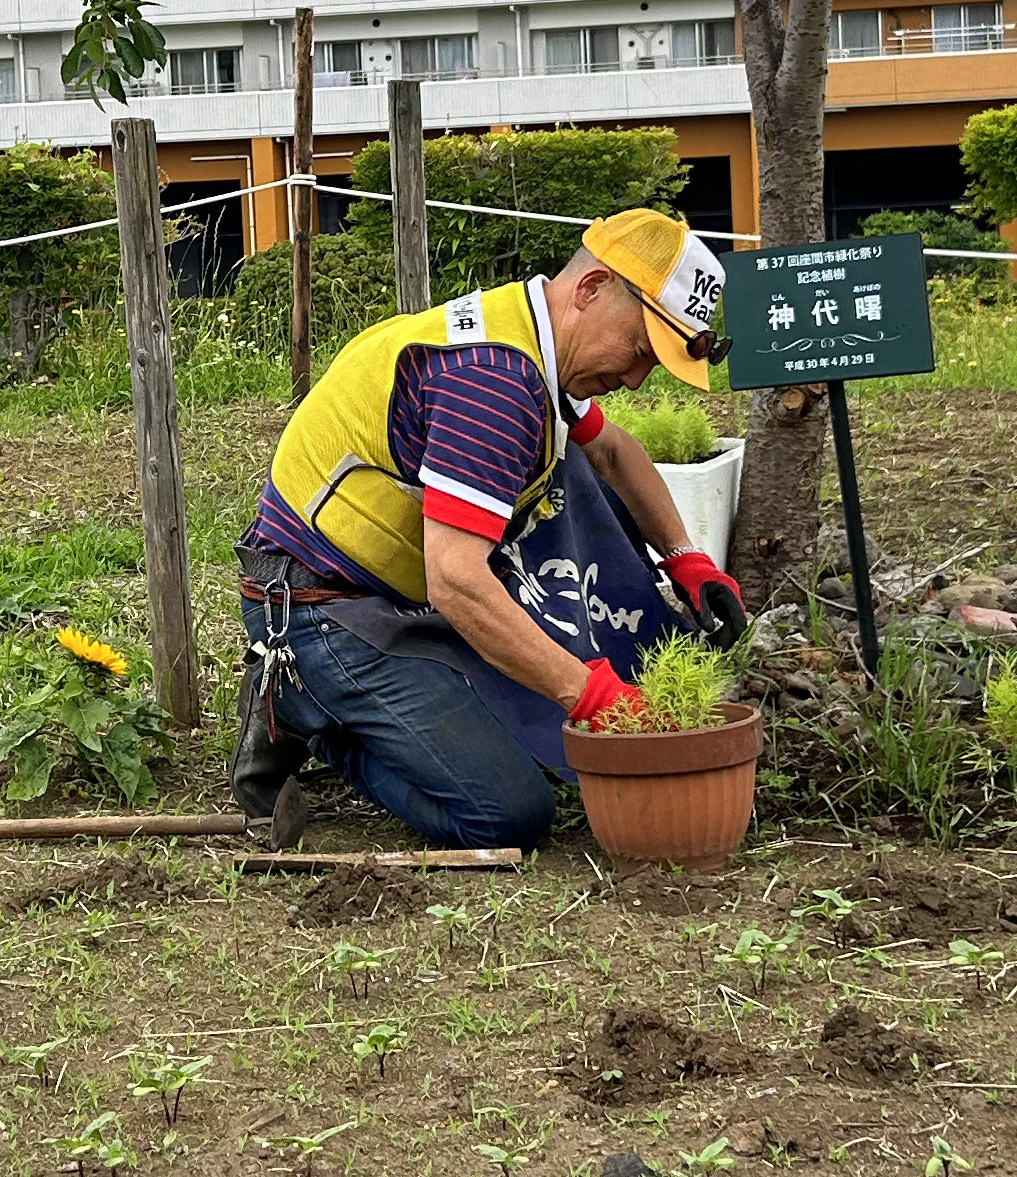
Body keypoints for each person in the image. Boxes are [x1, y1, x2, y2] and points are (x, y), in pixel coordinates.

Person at [231, 208, 748, 849]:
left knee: (539, 741)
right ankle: (314, 715)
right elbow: (457, 582)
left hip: (395, 589)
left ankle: (377, 701)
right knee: (508, 815)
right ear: (590, 291)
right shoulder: (493, 383)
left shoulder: (536, 336)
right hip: (319, 606)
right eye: (641, 349)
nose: (638, 377)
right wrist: (592, 698)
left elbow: (616, 452)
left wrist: (687, 561)